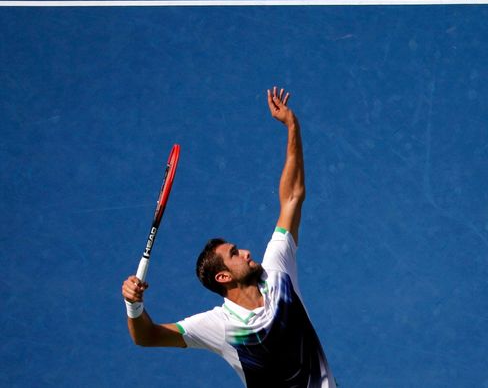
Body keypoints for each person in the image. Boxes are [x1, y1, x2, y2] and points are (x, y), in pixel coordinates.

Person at [121, 87, 336, 388]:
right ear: (223, 277)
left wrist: (292, 126)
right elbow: (147, 336)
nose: (247, 252)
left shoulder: (278, 275)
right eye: (235, 253)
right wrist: (134, 305)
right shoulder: (219, 326)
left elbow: (292, 197)